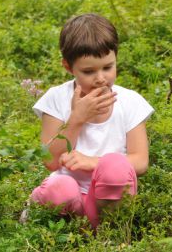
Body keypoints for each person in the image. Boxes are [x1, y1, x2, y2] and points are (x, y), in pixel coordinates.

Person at [28, 13, 154, 227]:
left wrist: (92, 163)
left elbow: (140, 161)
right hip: (68, 199)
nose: (101, 78)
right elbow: (50, 161)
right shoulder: (56, 98)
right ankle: (56, 226)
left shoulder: (130, 101)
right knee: (61, 188)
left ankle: (105, 231)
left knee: (115, 165)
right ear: (68, 67)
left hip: (108, 199)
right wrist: (77, 118)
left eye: (108, 67)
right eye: (88, 71)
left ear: (116, 59)